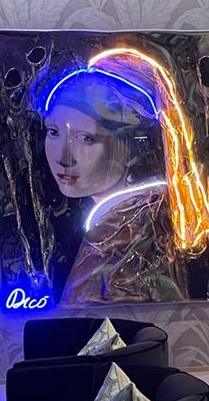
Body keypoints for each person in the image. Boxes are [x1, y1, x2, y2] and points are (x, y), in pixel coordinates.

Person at [38, 67, 188, 304]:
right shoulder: (126, 220)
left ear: (132, 151)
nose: (63, 157)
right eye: (54, 132)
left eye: (86, 138)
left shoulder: (124, 235)